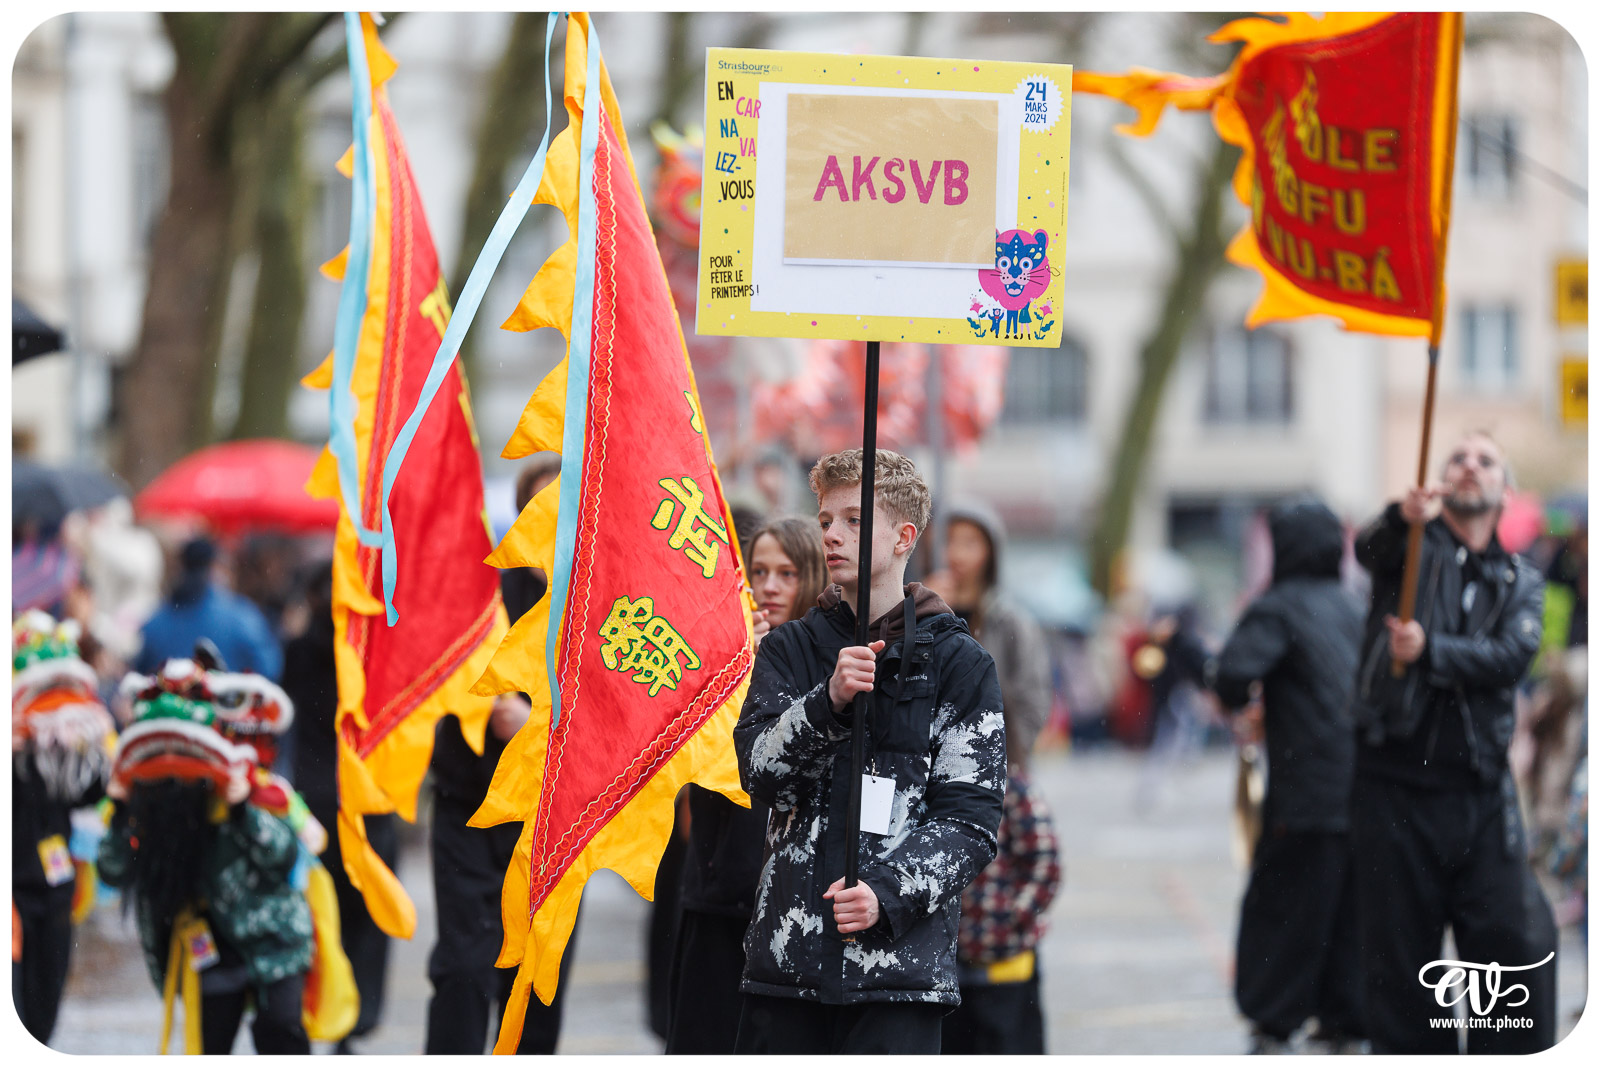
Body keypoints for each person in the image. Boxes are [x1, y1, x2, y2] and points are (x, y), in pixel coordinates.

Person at [731, 448, 1007, 1054]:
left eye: (854, 521)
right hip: (787, 968)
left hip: (897, 979)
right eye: (826, 519)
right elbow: (756, 771)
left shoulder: (962, 663)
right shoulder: (790, 649)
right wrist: (824, 703)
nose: (832, 534)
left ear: (904, 536)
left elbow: (972, 817)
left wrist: (888, 892)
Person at [1349, 430, 1557, 1053]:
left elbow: (1512, 655)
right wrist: (1398, 516)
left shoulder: (1521, 579)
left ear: (1505, 490)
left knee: (1512, 949)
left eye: (1485, 459)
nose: (1470, 466)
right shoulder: (1408, 548)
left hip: (1479, 791)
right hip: (1394, 786)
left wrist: (1431, 650)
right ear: (1439, 483)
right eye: (1458, 458)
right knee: (1401, 965)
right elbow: (1368, 547)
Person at [424, 455, 576, 1054]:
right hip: (470, 802)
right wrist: (484, 705)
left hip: (554, 815)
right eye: (538, 508)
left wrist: (538, 720)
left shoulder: (605, 605)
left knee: (536, 978)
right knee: (463, 966)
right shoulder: (479, 591)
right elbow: (438, 672)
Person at [1206, 498, 1366, 1053]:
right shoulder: (1356, 604)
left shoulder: (1277, 607)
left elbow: (1232, 675)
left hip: (1307, 788)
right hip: (1365, 788)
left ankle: (1274, 1017)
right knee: (1349, 906)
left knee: (1285, 904)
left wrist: (1247, 698)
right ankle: (1346, 1016)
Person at [665, 516, 827, 1053]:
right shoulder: (719, 655)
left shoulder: (829, 661)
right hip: (716, 884)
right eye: (758, 571)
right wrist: (734, 669)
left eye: (787, 572)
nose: (770, 586)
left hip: (788, 896)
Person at [97, 686, 315, 1054]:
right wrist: (120, 812)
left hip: (273, 938)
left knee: (281, 1030)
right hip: (206, 944)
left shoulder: (255, 788)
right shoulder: (149, 805)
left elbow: (284, 856)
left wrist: (242, 808)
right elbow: (112, 870)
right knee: (210, 1044)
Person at [923, 499, 1060, 1054]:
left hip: (998, 779)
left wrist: (995, 754)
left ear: (991, 554)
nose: (958, 554)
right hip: (930, 780)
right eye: (950, 540)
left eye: (971, 542)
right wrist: (931, 616)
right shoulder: (921, 609)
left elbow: (1029, 704)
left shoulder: (1012, 624)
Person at [284, 561, 397, 1052]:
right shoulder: (373, 651)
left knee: (317, 913)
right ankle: (357, 1016)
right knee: (367, 915)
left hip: (315, 803)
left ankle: (320, 1007)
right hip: (368, 798)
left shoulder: (296, 651)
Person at [12, 613, 115, 1046]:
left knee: (46, 996)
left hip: (54, 884)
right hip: (12, 890)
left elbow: (89, 796)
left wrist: (94, 759)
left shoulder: (62, 744)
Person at [133, 537, 282, 681]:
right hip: (227, 704)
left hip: (166, 705)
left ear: (181, 566)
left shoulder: (155, 621)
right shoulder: (241, 616)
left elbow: (142, 674)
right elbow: (268, 669)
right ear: (214, 567)